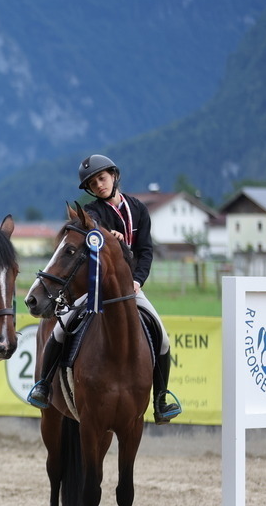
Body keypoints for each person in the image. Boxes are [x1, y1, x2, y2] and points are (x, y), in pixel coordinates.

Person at [27, 154, 182, 424]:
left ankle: (161, 398)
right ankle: (43, 385)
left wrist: (138, 280)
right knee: (60, 328)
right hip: (94, 288)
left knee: (163, 336)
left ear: (113, 175)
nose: (99, 185)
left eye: (102, 178)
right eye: (92, 183)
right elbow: (93, 242)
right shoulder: (93, 213)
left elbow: (145, 251)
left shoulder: (139, 209)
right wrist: (111, 238)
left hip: (130, 288)